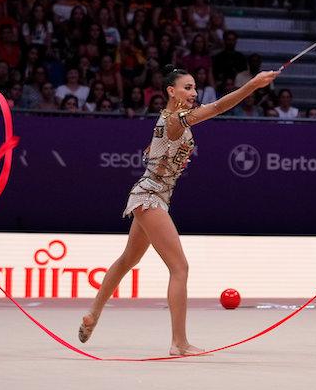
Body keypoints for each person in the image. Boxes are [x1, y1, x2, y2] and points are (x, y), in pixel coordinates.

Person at [78, 65, 280, 354]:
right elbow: (219, 106)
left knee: (127, 260)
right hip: (150, 198)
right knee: (179, 268)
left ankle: (93, 316)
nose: (194, 93)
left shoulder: (170, 120)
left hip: (151, 197)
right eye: (187, 87)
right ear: (171, 92)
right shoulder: (176, 119)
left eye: (195, 87)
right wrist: (253, 85)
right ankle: (179, 343)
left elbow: (156, 148)